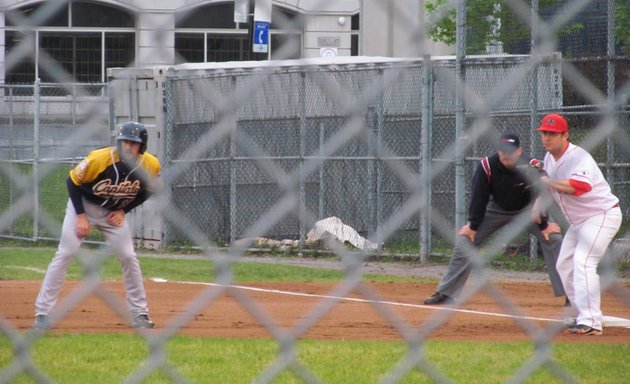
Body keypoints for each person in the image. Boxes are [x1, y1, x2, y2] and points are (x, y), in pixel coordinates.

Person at [33, 122, 161, 330]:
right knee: (66, 252)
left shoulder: (150, 165)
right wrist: (81, 216)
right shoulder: (99, 159)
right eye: (124, 142)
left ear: (142, 146)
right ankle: (43, 314)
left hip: (113, 214)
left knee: (129, 257)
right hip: (83, 207)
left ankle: (140, 314)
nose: (128, 146)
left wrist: (122, 211)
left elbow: (149, 189)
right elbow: (72, 182)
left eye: (133, 143)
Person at [424, 133, 566, 305]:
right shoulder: (487, 166)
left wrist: (544, 224)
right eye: (502, 150)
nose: (506, 154)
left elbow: (543, 194)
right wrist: (473, 226)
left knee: (553, 238)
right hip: (497, 208)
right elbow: (479, 197)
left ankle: (569, 294)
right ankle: (446, 292)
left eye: (510, 151)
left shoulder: (531, 165)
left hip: (528, 210)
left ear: (519, 151)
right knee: (466, 240)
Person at [533, 114, 622, 336]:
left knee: (583, 261)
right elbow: (549, 187)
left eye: (552, 134)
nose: (546, 137)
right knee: (564, 264)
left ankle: (591, 320)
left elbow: (579, 186)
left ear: (565, 135)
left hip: (600, 216)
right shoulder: (549, 158)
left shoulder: (579, 157)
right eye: (544, 133)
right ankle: (581, 311)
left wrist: (549, 183)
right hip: (580, 222)